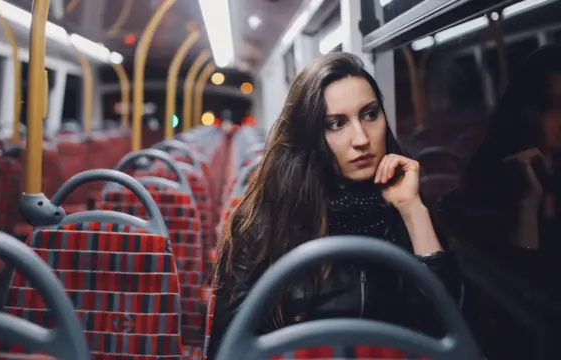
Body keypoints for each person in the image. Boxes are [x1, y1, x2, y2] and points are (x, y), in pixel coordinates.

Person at [207, 52, 461, 359]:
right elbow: (232, 348)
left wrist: (412, 210)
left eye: (369, 114)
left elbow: (448, 331)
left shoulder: (408, 210)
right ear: (311, 136)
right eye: (336, 124)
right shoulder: (263, 224)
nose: (361, 138)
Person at [441, 45, 561, 252]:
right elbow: (522, 276)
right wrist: (528, 209)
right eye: (553, 105)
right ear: (527, 112)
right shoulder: (473, 199)